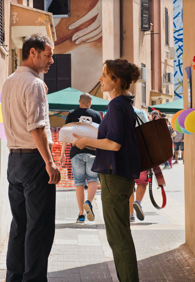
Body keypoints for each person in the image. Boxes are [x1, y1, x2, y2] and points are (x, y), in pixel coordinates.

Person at [73, 59, 141, 282]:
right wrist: (89, 142)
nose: (100, 79)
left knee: (118, 237)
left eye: (105, 75)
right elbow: (114, 143)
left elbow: (114, 144)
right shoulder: (124, 105)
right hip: (120, 176)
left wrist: (85, 140)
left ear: (116, 80)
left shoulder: (116, 105)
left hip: (115, 177)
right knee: (119, 234)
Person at [1, 34, 61, 282]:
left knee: (20, 226)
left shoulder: (9, 81)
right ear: (33, 53)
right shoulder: (34, 84)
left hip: (14, 160)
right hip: (34, 160)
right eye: (48, 55)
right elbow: (36, 127)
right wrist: (50, 162)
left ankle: (14, 278)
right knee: (39, 228)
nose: (52, 60)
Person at [60, 93, 102, 223]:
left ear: (79, 101)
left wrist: (62, 154)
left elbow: (66, 134)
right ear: (90, 103)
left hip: (76, 153)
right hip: (93, 153)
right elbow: (100, 135)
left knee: (78, 183)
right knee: (93, 179)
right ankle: (88, 202)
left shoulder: (71, 113)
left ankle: (81, 214)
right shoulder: (96, 115)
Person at [129, 107, 149, 222]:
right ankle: (138, 202)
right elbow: (147, 130)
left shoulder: (116, 112)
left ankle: (131, 214)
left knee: (129, 184)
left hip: (125, 153)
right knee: (142, 181)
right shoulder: (141, 113)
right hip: (141, 152)